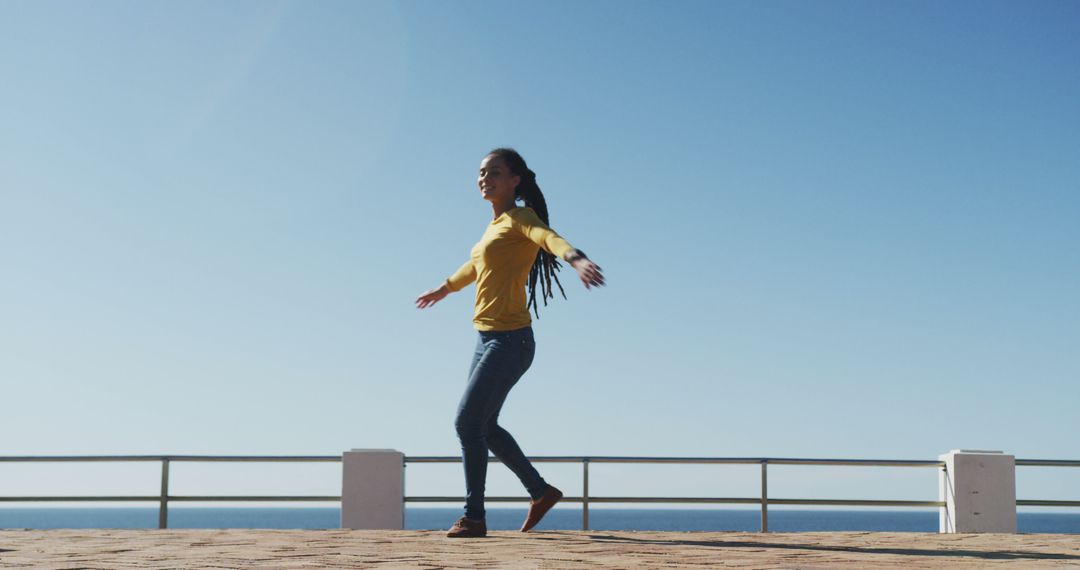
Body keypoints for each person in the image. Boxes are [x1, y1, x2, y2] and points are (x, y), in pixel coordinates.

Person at [415, 148, 605, 538]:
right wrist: (444, 288)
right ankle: (540, 491)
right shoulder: (493, 227)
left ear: (515, 180)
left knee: (467, 423)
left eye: (495, 172)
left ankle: (474, 517)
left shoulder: (521, 218)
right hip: (486, 339)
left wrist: (577, 259)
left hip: (511, 340)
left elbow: (548, 238)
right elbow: (475, 266)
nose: (485, 178)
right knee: (485, 426)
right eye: (482, 173)